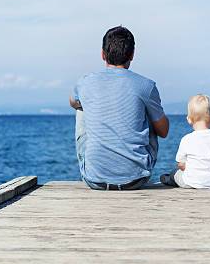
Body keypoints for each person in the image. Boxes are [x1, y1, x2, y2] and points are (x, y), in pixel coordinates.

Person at [70, 26, 169, 190]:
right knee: (148, 111)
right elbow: (163, 132)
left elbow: (72, 102)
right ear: (132, 54)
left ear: (102, 54)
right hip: (136, 180)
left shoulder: (85, 82)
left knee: (81, 107)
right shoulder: (146, 85)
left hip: (94, 179)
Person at [160, 94, 210, 189]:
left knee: (176, 173)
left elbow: (180, 164)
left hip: (190, 182)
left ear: (189, 119)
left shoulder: (186, 139)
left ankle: (169, 179)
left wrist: (191, 168)